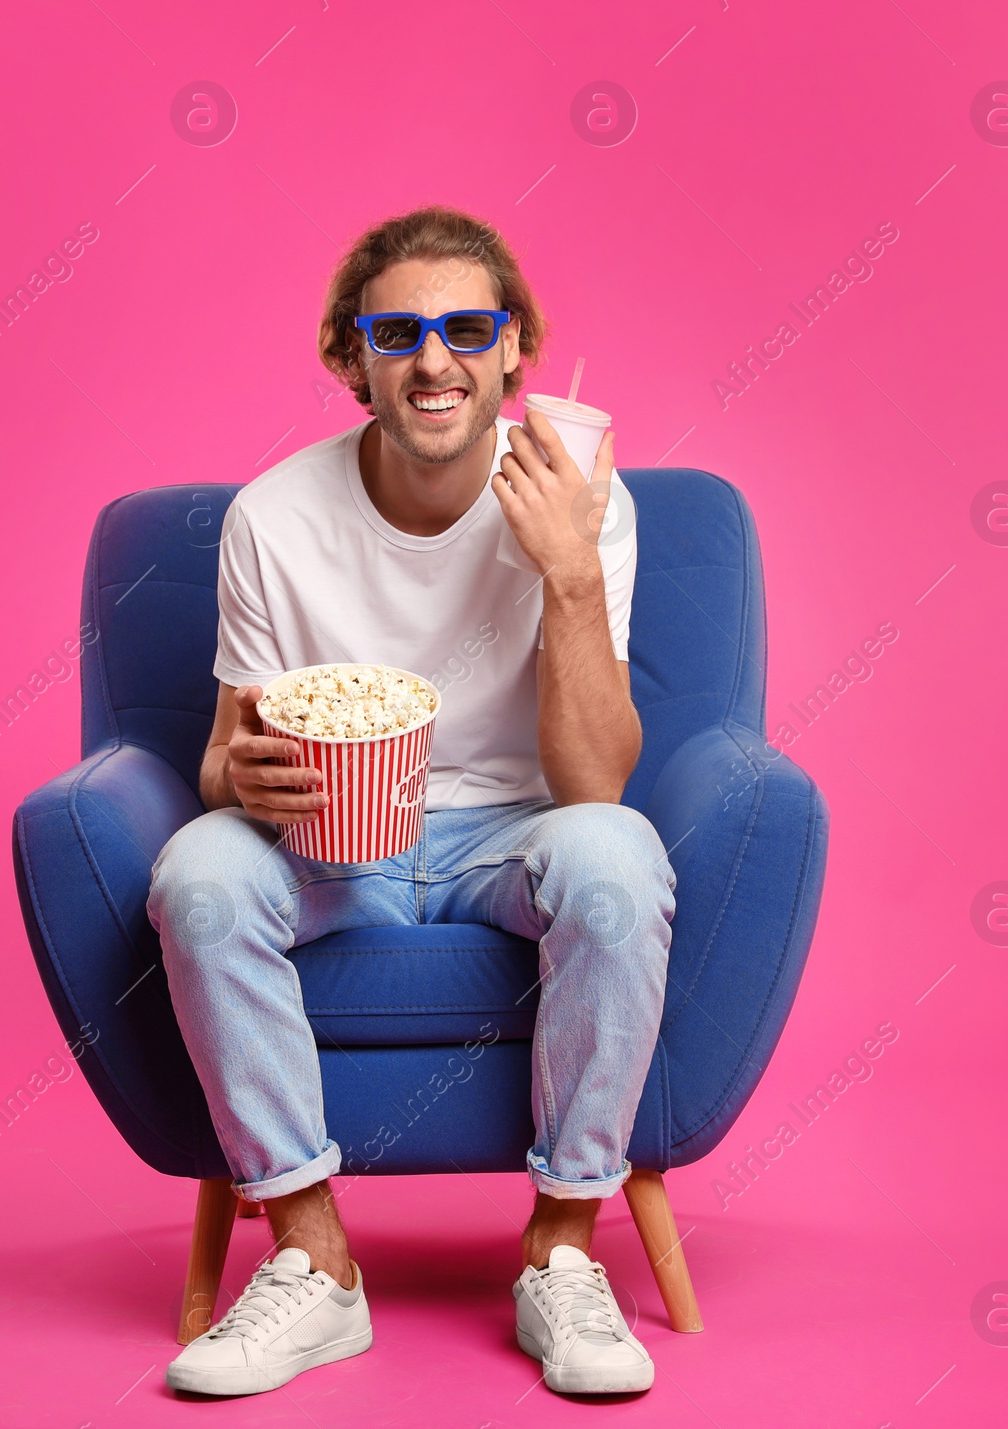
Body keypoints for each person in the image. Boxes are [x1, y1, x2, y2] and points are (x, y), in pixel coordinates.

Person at [148, 204, 676, 1398]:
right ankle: (311, 1260)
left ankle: (561, 1249)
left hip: (516, 830)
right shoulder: (273, 520)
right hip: (336, 840)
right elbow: (220, 760)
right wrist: (245, 777)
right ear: (352, 360)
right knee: (197, 872)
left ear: (511, 354)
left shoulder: (586, 505)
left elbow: (594, 785)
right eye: (397, 331)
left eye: (466, 328)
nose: (433, 358)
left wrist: (571, 574)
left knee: (619, 854)